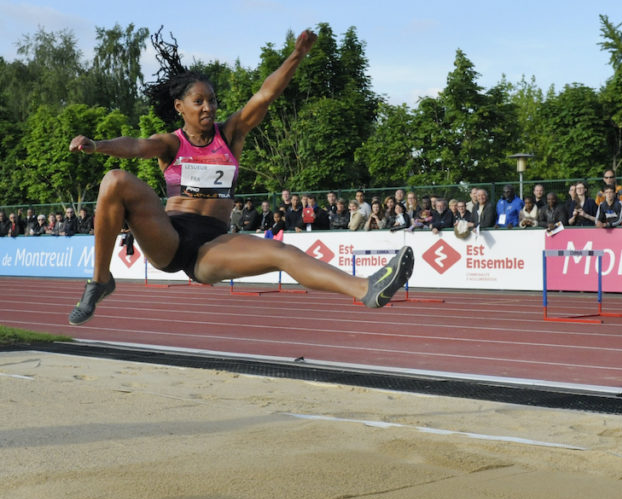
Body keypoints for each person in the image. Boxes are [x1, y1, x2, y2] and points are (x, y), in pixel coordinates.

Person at [66, 28, 413, 325]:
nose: (208, 107)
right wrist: (98, 146)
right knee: (114, 179)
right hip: (169, 236)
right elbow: (136, 146)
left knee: (283, 252)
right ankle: (100, 279)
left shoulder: (230, 134)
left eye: (212, 101)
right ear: (180, 107)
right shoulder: (171, 143)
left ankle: (367, 289)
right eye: (199, 101)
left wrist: (296, 55)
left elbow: (265, 95)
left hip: (213, 245)